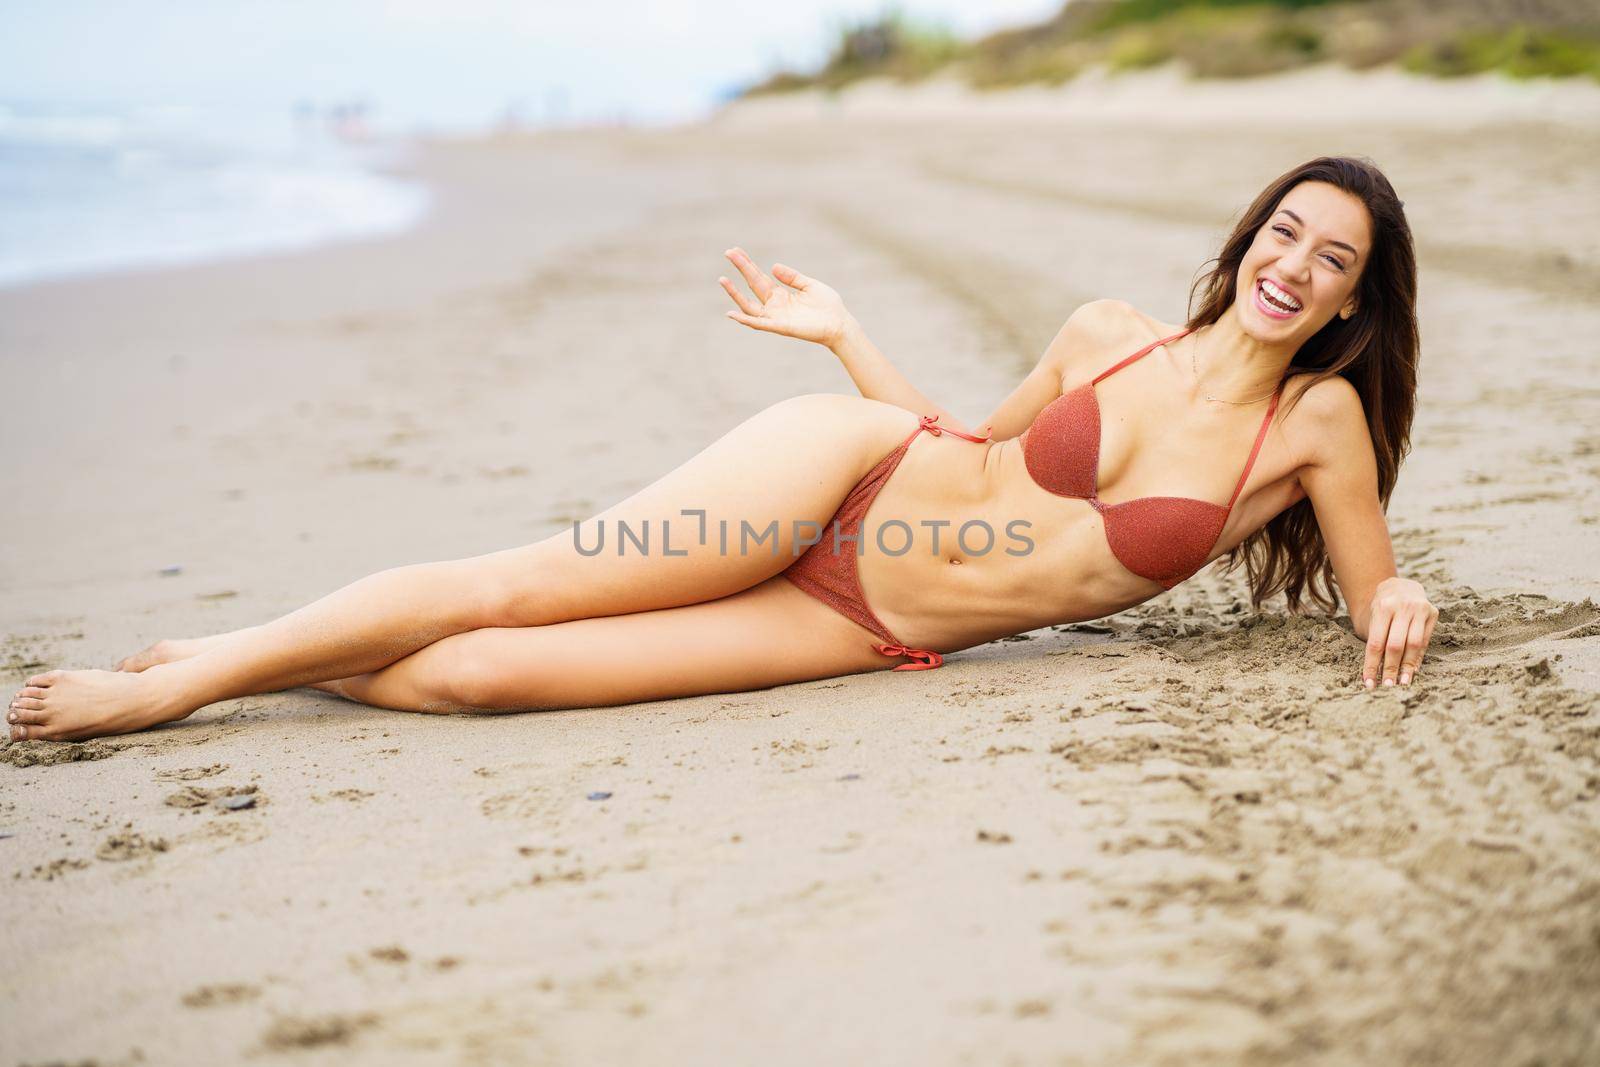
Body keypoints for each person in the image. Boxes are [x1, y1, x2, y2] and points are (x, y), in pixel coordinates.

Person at [6, 156, 1438, 742]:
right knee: (521, 584)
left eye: (1332, 259)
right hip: (851, 470)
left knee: (487, 678)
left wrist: (1403, 600)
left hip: (868, 621)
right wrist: (843, 345)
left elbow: (1374, 591)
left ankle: (280, 648)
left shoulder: (1311, 431)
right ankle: (191, 681)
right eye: (1284, 233)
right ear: (1250, 237)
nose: (1294, 265)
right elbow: (962, 444)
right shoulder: (1109, 329)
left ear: (1355, 297)